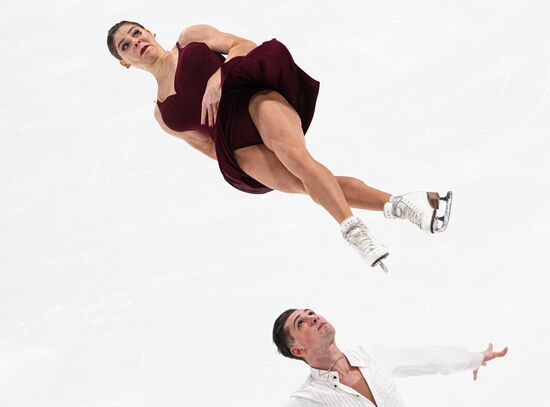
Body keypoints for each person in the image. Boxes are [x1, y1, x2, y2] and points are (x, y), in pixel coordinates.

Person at [106, 21, 453, 271]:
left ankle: (355, 232)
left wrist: (218, 76)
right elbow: (209, 148)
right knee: (309, 184)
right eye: (125, 45)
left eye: (136, 33)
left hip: (250, 97)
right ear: (125, 62)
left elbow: (244, 45)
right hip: (236, 146)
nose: (135, 42)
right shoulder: (163, 115)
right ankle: (410, 206)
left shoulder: (191, 39)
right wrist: (243, 160)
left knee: (297, 158)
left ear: (151, 32)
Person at [273, 308, 508, 406]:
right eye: (300, 323)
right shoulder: (307, 399)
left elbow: (424, 358)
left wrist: (473, 359)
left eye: (311, 312)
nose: (312, 317)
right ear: (297, 350)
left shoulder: (368, 355)